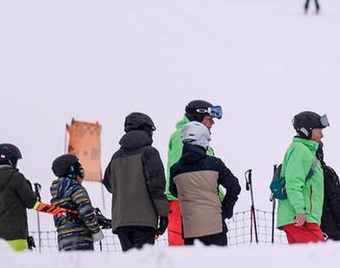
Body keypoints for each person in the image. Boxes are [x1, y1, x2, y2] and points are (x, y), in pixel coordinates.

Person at [102, 112, 170, 251]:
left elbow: (109, 185)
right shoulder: (149, 153)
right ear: (146, 130)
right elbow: (156, 187)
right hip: (144, 220)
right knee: (145, 262)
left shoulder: (116, 157)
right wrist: (163, 214)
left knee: (130, 263)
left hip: (121, 221)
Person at [168, 123, 240, 247]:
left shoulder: (176, 170)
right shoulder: (214, 164)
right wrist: (226, 209)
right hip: (215, 226)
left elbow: (174, 192)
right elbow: (234, 187)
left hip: (190, 229)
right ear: (202, 141)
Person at [165, 101, 221, 246]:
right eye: (209, 119)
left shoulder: (198, 139)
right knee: (183, 255)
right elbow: (184, 173)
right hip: (183, 204)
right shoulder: (182, 136)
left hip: (197, 205)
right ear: (197, 118)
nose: (212, 123)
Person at [278, 111, 330, 244]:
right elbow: (293, 183)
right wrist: (300, 210)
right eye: (319, 131)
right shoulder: (301, 151)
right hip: (301, 218)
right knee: (322, 258)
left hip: (303, 218)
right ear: (307, 131)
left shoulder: (307, 151)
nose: (322, 135)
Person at [0, 143, 39, 251]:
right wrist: (31, 191)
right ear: (11, 160)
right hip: (16, 236)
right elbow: (31, 202)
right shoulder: (15, 177)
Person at [50, 155, 109, 251]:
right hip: (81, 239)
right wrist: (96, 231)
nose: (82, 174)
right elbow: (86, 212)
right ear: (71, 172)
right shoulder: (76, 189)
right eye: (80, 171)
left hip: (63, 240)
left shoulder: (56, 193)